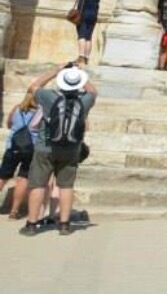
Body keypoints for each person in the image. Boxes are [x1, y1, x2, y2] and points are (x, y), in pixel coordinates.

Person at [20, 64, 97, 236]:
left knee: (38, 184)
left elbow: (33, 87)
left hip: (45, 146)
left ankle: (31, 224)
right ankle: (64, 224)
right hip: (71, 149)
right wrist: (80, 73)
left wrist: (56, 71)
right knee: (66, 186)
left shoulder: (48, 97)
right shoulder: (84, 100)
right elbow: (93, 91)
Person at [1, 90, 40, 220]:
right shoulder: (40, 113)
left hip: (13, 146)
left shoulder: (16, 109)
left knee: (2, 177)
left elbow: (9, 124)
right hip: (31, 148)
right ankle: (14, 211)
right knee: (23, 179)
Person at [70, 0, 105, 65]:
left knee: (82, 35)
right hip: (93, 14)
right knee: (88, 37)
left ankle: (81, 56)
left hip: (83, 13)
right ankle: (86, 58)